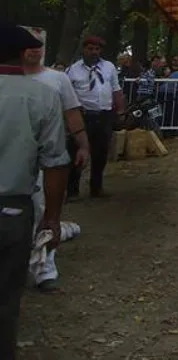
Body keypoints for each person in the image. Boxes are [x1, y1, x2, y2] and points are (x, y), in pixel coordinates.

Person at [1, 22, 71, 356]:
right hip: (13, 210)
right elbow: (55, 162)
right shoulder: (42, 97)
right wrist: (52, 219)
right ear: (21, 53)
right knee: (6, 298)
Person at [21, 30, 88, 291]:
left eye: (39, 45)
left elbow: (72, 113)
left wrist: (82, 143)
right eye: (28, 45)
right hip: (12, 156)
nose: (35, 50)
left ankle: (44, 266)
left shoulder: (57, 79)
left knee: (44, 211)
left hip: (46, 157)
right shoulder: (6, 78)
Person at [65, 34, 125, 198]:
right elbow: (66, 95)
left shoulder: (109, 67)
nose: (94, 52)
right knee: (76, 152)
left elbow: (116, 89)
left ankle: (96, 188)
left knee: (101, 153)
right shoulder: (72, 70)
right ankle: (72, 190)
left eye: (97, 49)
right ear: (83, 49)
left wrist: (120, 111)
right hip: (82, 116)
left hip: (104, 115)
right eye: (90, 49)